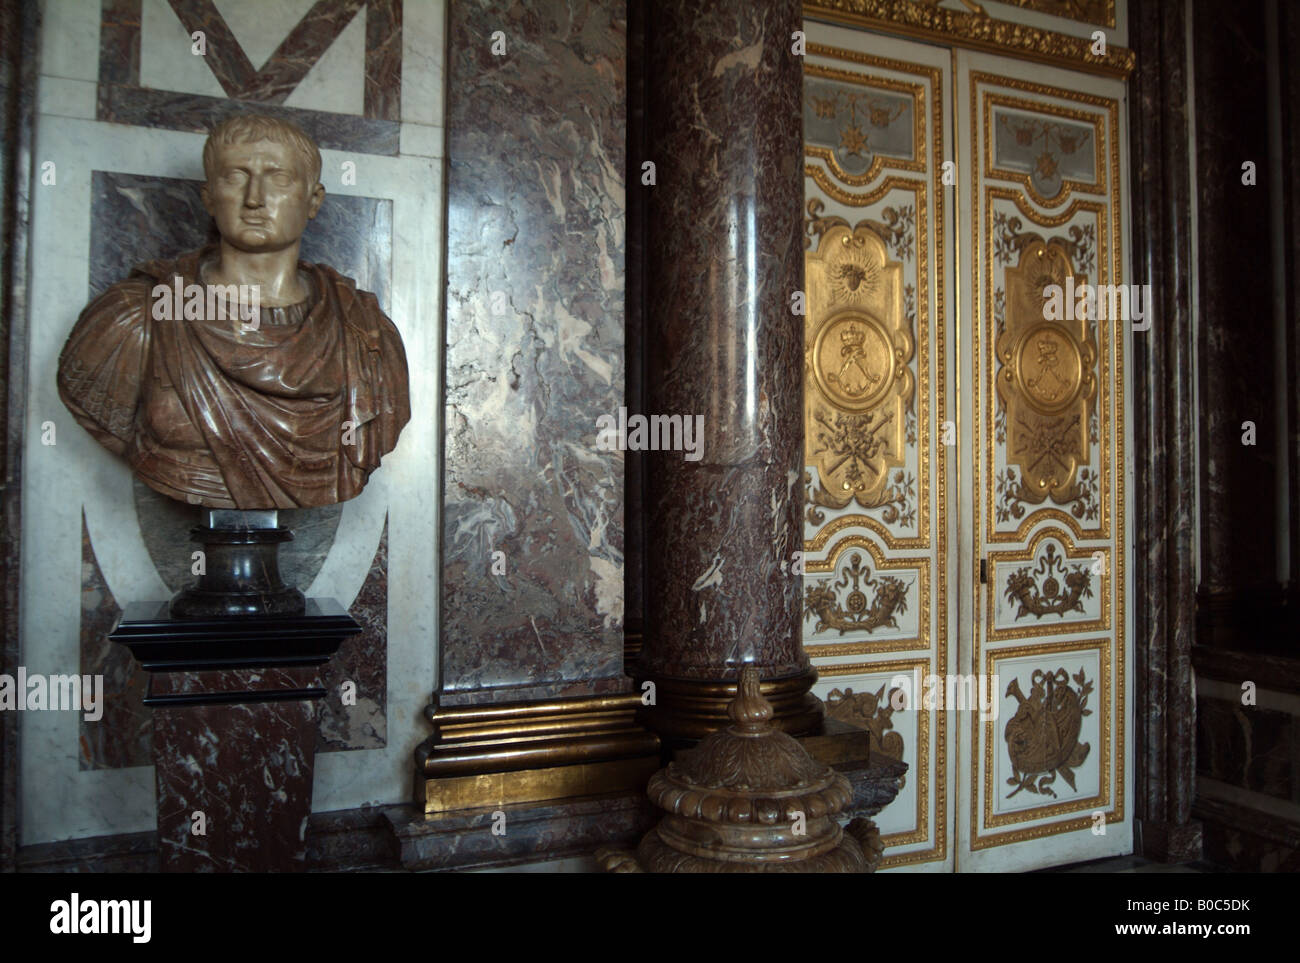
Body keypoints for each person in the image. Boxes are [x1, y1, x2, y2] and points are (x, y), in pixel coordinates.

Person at [57, 113, 410, 509]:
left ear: (314, 200)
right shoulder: (139, 315)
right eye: (235, 176)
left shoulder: (363, 333)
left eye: (278, 177)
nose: (254, 198)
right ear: (209, 197)